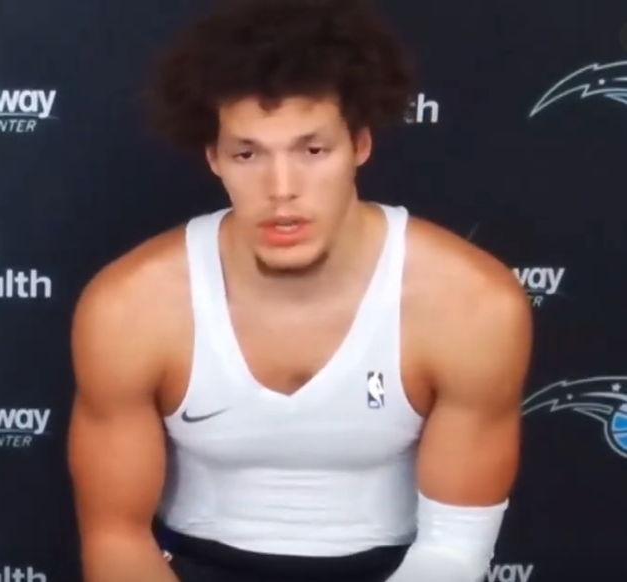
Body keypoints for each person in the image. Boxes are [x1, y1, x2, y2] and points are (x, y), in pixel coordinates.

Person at [67, 0, 533, 581]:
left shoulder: (472, 304)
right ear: (215, 158)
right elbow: (116, 538)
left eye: (312, 151)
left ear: (359, 145)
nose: (281, 188)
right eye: (247, 154)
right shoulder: (129, 306)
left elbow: (452, 548)